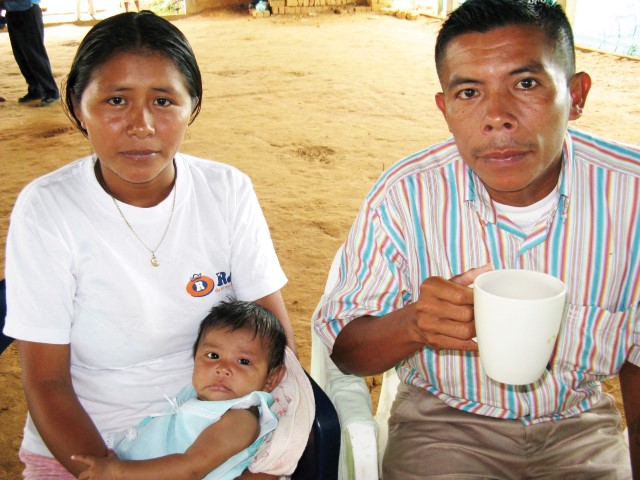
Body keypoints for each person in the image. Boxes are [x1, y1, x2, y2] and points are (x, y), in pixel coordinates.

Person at [313, 0, 640, 478]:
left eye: (525, 84)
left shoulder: (630, 193)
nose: (497, 117)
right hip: (442, 424)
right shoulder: (405, 194)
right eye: (469, 92)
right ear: (445, 109)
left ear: (577, 94)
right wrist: (413, 326)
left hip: (579, 427)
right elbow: (345, 349)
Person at [3, 10, 309, 479]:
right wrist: (107, 471)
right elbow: (47, 382)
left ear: (194, 106)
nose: (141, 124)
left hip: (216, 439)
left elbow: (273, 345)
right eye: (116, 99)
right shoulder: (48, 209)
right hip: (88, 442)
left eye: (164, 101)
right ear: (77, 108)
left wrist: (258, 463)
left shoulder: (226, 191)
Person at [72, 300, 287, 480]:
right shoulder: (198, 397)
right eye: (213, 356)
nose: (223, 369)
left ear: (271, 378)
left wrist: (116, 471)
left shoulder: (240, 419)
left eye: (243, 361)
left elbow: (190, 468)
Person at [4, 0, 60, 106]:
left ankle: (51, 91)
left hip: (27, 12)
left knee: (35, 54)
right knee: (20, 55)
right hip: (12, 14)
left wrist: (3, 4)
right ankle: (36, 90)